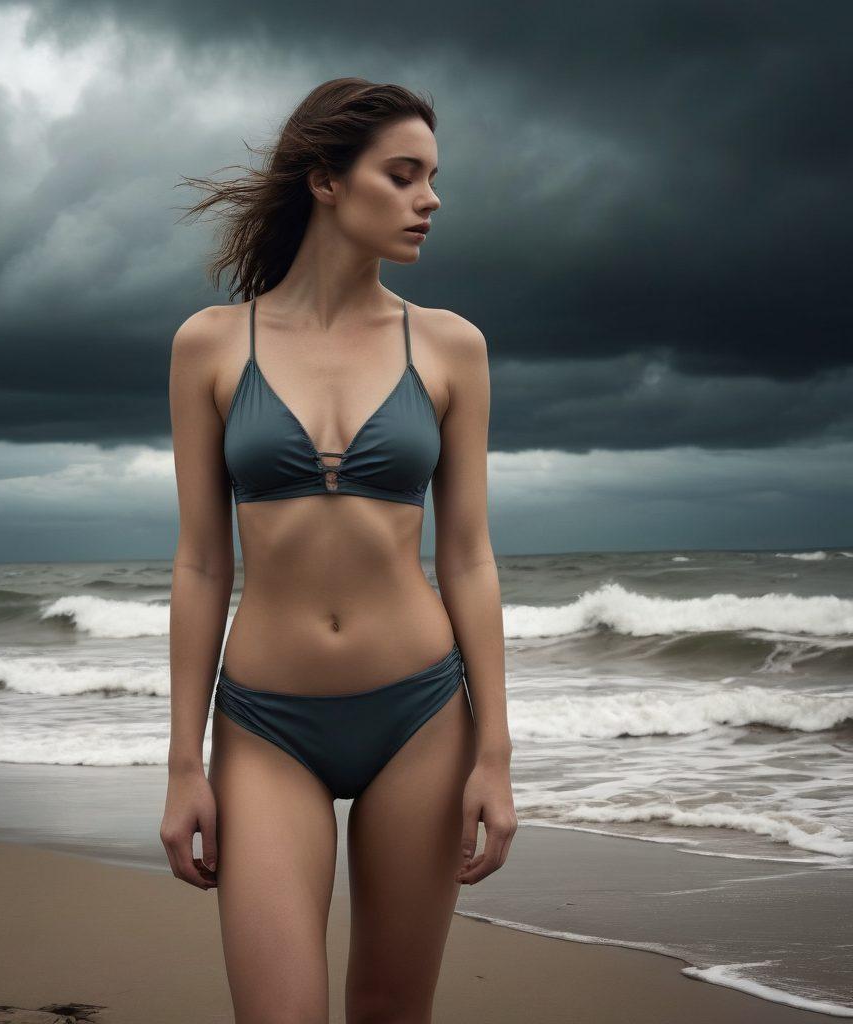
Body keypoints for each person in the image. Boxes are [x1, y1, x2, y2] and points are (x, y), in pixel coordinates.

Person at [161, 77, 516, 1023]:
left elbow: (469, 557)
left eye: (432, 178)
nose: (428, 199)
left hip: (423, 717)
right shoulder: (209, 344)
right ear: (326, 181)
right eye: (402, 176)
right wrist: (182, 764)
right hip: (265, 728)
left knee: (392, 1010)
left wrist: (497, 754)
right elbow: (201, 562)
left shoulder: (450, 347)